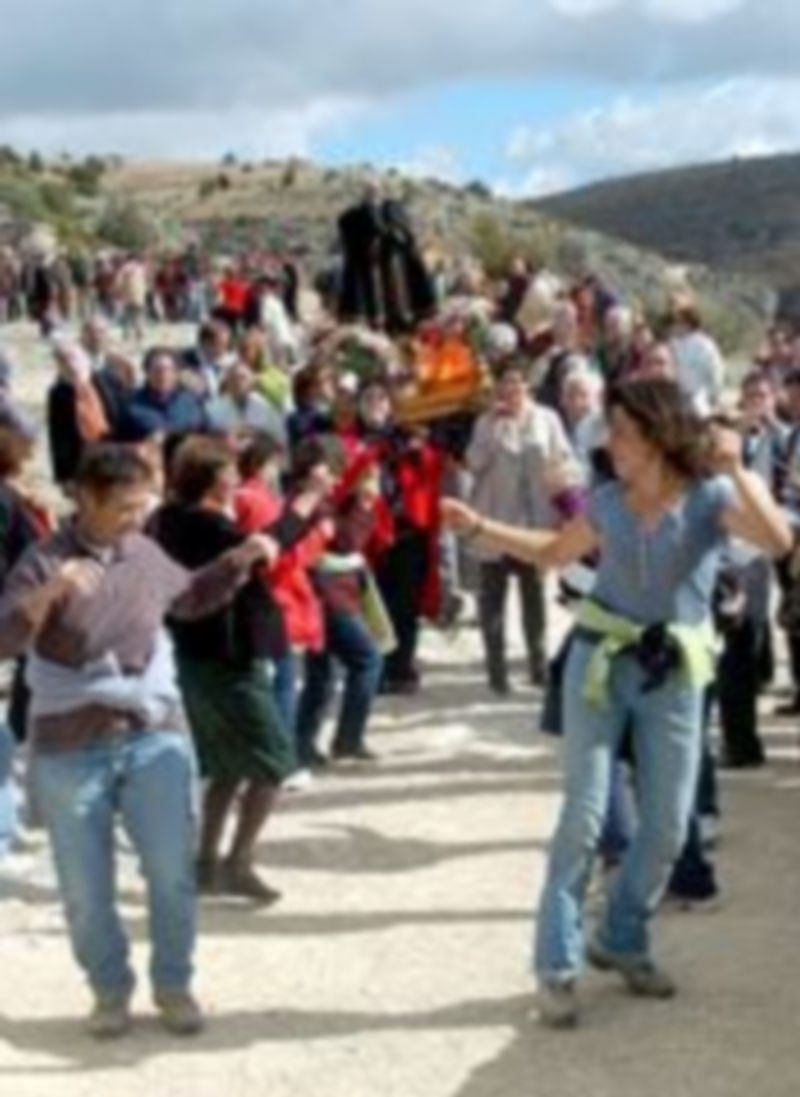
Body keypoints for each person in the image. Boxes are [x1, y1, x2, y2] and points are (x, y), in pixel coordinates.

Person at [443, 377, 791, 1029]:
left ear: (658, 436)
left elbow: (778, 542)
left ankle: (622, 935)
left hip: (676, 671)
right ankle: (556, 965)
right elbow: (554, 552)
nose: (610, 443)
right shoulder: (606, 500)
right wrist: (481, 525)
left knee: (668, 828)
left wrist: (738, 471)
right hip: (598, 663)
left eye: (623, 432)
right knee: (584, 815)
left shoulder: (711, 496)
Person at [0, 444, 280, 1039]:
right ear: (85, 497)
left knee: (171, 872)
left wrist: (241, 558)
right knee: (85, 888)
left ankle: (174, 985)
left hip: (154, 735)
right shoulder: (43, 559)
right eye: (124, 508)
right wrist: (47, 594)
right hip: (69, 745)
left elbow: (190, 598)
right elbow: (4, 639)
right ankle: (109, 991)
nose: (135, 518)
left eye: (141, 505)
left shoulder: (143, 551)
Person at [152, 438, 324, 903]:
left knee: (228, 767)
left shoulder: (170, 518)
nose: (237, 477)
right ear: (213, 479)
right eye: (228, 470)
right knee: (274, 763)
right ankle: (237, 862)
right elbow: (267, 546)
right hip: (227, 660)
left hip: (197, 657)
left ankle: (206, 865)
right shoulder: (206, 524)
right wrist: (306, 502)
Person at [466, 359, 575, 694]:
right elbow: (473, 463)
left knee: (534, 600)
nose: (511, 388)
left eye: (517, 381)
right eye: (505, 382)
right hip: (495, 518)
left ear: (527, 385)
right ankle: (496, 672)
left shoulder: (547, 418)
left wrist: (562, 507)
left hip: (534, 522)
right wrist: (493, 428)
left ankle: (538, 668)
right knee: (492, 601)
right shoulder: (486, 421)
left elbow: (564, 459)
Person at [123, 349, 207, 440]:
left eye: (168, 370)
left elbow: (204, 434)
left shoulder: (190, 402)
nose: (163, 375)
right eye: (157, 370)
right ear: (147, 372)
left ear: (176, 373)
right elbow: (119, 441)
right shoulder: (131, 404)